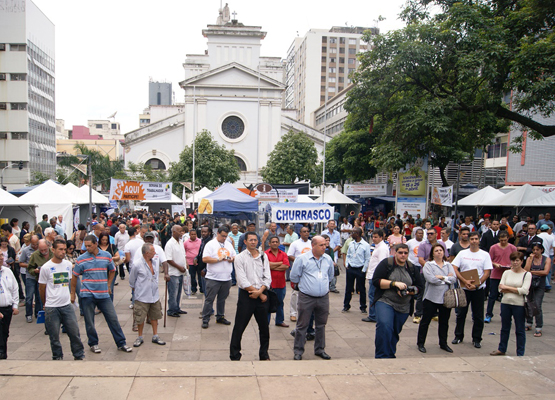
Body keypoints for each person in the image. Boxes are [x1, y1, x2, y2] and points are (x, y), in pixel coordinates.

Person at [71, 235, 132, 354]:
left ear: (96, 244)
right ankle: (93, 343)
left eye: (89, 245)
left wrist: (109, 285)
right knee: (89, 321)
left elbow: (112, 271)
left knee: (113, 319)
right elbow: (74, 276)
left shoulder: (107, 256)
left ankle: (121, 342)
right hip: (87, 294)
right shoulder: (81, 259)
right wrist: (73, 293)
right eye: (86, 246)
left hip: (103, 294)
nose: (87, 248)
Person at [373, 244, 424, 358]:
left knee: (394, 331)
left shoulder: (412, 268)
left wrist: (410, 291)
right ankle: (382, 356)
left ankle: (390, 354)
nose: (403, 255)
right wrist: (393, 284)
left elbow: (420, 287)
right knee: (385, 326)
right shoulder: (387, 264)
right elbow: (376, 281)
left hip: (404, 306)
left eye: (405, 253)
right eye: (400, 252)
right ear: (395, 252)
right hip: (385, 301)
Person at [38, 239, 85, 360]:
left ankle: (79, 355)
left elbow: (71, 281)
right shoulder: (46, 268)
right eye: (60, 249)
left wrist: (72, 295)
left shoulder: (68, 265)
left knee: (74, 332)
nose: (63, 252)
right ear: (53, 250)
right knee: (54, 336)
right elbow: (42, 288)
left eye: (64, 249)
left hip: (66, 305)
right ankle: (57, 356)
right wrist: (45, 304)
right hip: (51, 307)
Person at [230, 232, 272, 360]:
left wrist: (261, 292)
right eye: (251, 240)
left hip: (262, 292)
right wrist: (259, 294)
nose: (253, 242)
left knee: (264, 328)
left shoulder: (263, 256)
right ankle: (235, 355)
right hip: (246, 295)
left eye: (255, 240)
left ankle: (264, 354)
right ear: (245, 242)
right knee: (239, 327)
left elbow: (268, 277)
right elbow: (242, 281)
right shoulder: (240, 258)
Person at [291, 236, 334, 361]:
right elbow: (294, 277)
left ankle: (320, 349)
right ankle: (298, 351)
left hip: (323, 297)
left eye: (325, 245)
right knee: (302, 325)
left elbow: (330, 276)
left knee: (321, 325)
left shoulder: (328, 259)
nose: (324, 247)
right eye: (321, 245)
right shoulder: (302, 259)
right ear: (313, 245)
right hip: (306, 297)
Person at [451, 232, 493, 348]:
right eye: (472, 239)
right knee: (461, 314)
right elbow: (454, 267)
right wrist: (464, 281)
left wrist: (477, 284)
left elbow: (487, 272)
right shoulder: (462, 253)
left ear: (479, 240)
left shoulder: (485, 255)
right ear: (469, 240)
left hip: (478, 289)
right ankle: (458, 336)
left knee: (478, 315)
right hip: (464, 288)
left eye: (476, 239)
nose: (474, 241)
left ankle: (477, 338)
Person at [416, 243, 457, 353]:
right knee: (425, 321)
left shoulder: (448, 265)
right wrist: (446, 278)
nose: (439, 252)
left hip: (446, 298)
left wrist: (441, 277)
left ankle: (443, 343)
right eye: (436, 251)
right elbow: (431, 279)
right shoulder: (429, 265)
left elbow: (454, 279)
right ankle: (420, 343)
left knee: (444, 322)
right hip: (431, 297)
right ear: (432, 254)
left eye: (441, 250)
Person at [490, 251, 531, 357]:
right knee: (504, 327)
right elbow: (500, 288)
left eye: (517, 260)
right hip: (506, 303)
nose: (515, 263)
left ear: (522, 261)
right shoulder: (506, 273)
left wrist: (507, 288)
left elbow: (524, 290)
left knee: (520, 329)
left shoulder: (526, 274)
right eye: (513, 260)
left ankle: (520, 352)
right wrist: (515, 289)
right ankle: (502, 348)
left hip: (519, 305)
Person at [129, 243, 166, 347]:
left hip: (154, 295)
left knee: (155, 316)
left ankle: (155, 335)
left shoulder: (154, 262)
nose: (155, 253)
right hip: (142, 296)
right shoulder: (137, 264)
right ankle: (140, 336)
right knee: (140, 317)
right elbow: (132, 281)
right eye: (153, 251)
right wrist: (137, 290)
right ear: (147, 253)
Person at [201, 226, 236, 329]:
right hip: (213, 278)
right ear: (218, 234)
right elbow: (205, 259)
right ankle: (205, 318)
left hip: (226, 278)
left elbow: (234, 256)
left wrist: (232, 259)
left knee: (222, 299)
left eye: (226, 236)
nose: (224, 238)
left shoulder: (228, 244)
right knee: (209, 299)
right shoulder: (210, 244)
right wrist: (218, 259)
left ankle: (220, 316)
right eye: (223, 236)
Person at [485, 232, 517, 323]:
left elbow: (516, 259)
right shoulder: (493, 248)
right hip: (496, 274)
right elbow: (489, 260)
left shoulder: (512, 248)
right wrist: (495, 264)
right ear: (499, 239)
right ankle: (488, 314)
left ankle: (506, 315)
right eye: (501, 240)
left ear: (508, 239)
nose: (503, 242)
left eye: (505, 240)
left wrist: (511, 266)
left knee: (507, 295)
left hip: (508, 274)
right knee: (492, 295)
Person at [524, 244, 551, 337]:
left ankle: (539, 326)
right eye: (534, 250)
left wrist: (532, 272)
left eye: (537, 250)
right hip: (530, 284)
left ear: (541, 250)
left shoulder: (546, 259)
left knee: (537, 304)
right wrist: (530, 260)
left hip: (540, 285)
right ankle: (529, 322)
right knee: (528, 303)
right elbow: (526, 270)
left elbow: (545, 272)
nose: (535, 252)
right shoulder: (529, 258)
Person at [362, 229, 389, 323]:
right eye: (373, 237)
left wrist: (377, 277)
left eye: (376, 237)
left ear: (381, 237)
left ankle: (373, 315)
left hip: (375, 276)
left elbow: (382, 264)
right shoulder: (377, 247)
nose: (374, 239)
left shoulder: (382, 248)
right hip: (372, 274)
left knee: (373, 295)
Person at [342, 227, 371, 314]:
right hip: (351, 268)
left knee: (361, 289)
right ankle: (346, 305)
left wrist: (364, 269)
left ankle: (363, 307)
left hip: (360, 268)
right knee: (348, 288)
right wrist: (347, 264)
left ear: (358, 234)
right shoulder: (351, 243)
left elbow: (367, 258)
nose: (352, 234)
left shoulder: (365, 245)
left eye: (353, 232)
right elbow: (348, 254)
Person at [287, 226, 312, 322]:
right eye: (304, 231)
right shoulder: (295, 244)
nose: (306, 233)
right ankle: (293, 313)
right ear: (300, 233)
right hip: (298, 271)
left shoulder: (311, 243)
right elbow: (289, 255)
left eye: (307, 231)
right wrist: (299, 262)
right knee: (295, 293)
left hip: (309, 271)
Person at [25, 239, 52, 323]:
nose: (43, 251)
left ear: (48, 246)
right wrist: (35, 271)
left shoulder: (54, 253)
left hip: (52, 281)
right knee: (38, 298)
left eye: (45, 250)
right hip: (40, 280)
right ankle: (37, 315)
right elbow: (30, 268)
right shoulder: (35, 255)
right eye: (41, 250)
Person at [164, 225, 188, 317]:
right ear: (174, 232)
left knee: (178, 292)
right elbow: (168, 259)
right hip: (173, 272)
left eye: (182, 231)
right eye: (179, 231)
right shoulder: (169, 244)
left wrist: (186, 263)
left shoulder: (181, 241)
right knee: (173, 292)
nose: (181, 233)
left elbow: (183, 254)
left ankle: (177, 308)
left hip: (181, 271)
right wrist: (179, 267)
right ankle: (171, 310)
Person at [265, 235, 289, 327]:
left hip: (280, 283)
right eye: (273, 242)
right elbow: (266, 266)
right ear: (269, 243)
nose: (275, 243)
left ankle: (279, 320)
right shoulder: (266, 254)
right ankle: (266, 322)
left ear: (279, 243)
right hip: (269, 284)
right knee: (267, 304)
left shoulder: (283, 254)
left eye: (276, 242)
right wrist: (279, 263)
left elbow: (286, 266)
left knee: (280, 302)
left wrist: (271, 265)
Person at [0, 251, 20, 359]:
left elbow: (14, 288)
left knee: (5, 332)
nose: (1, 258)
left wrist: (15, 305)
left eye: (1, 256)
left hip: (7, 308)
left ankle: (3, 352)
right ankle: (1, 353)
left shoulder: (7, 271)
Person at [184, 228, 202, 295]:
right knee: (192, 276)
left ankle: (202, 289)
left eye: (195, 234)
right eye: (192, 234)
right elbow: (184, 252)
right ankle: (193, 289)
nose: (193, 236)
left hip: (199, 262)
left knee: (200, 276)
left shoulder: (200, 241)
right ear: (189, 235)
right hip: (190, 262)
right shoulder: (186, 243)